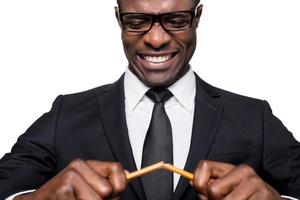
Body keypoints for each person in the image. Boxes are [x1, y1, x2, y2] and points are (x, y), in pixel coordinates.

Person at [0, 0, 299, 199]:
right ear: (118, 18)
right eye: (137, 21)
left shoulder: (253, 117)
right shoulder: (66, 114)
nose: (156, 39)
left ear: (198, 17)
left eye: (176, 20)